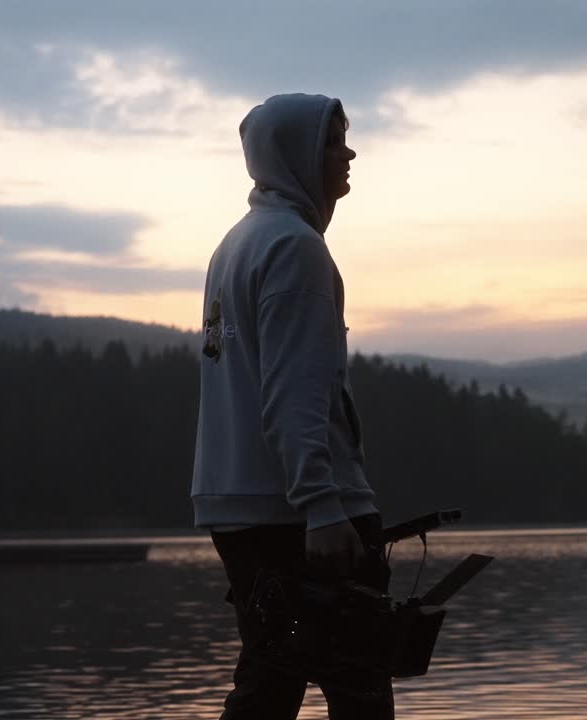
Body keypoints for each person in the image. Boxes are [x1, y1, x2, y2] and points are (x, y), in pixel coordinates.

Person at [191, 93, 395, 719]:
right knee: (358, 690)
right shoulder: (295, 249)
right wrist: (323, 506)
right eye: (334, 141)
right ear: (296, 154)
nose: (349, 152)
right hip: (301, 512)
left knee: (270, 683)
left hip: (240, 505)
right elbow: (292, 392)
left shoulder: (236, 244)